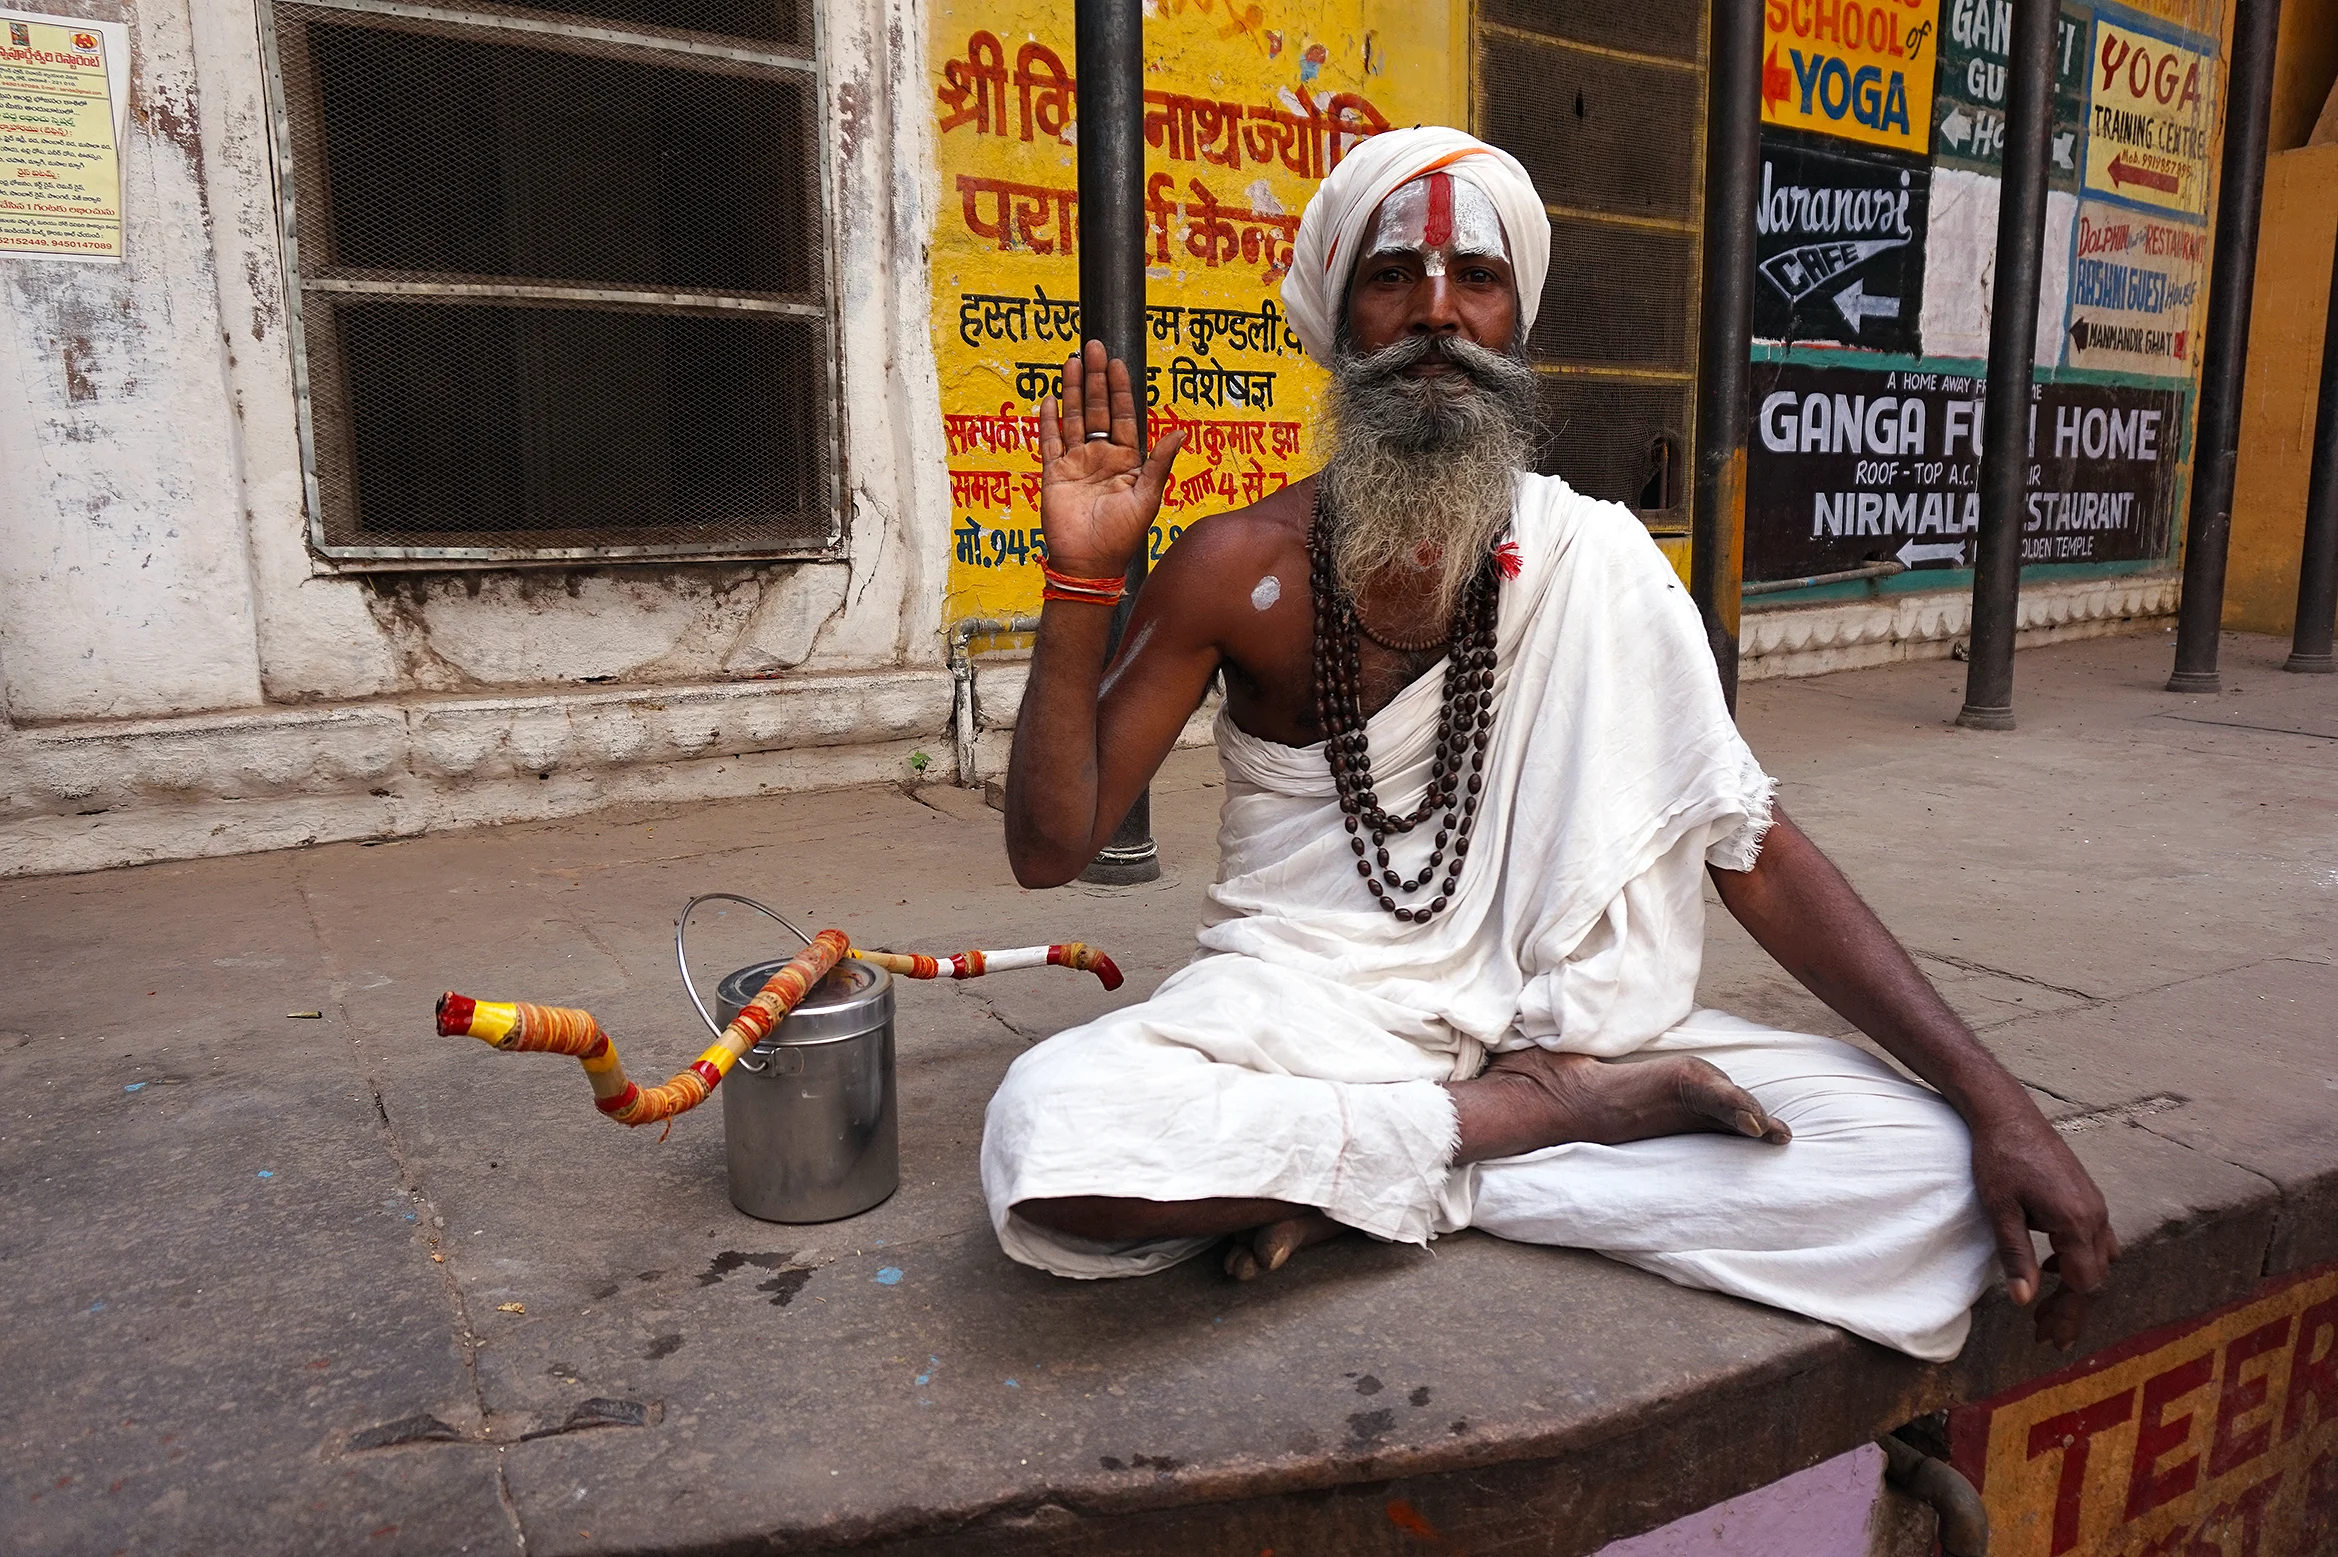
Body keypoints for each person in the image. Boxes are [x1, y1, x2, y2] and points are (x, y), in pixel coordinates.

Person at [980, 126, 2114, 1362]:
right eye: (1390, 280)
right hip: (1304, 1009)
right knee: (1051, 1135)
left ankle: (1367, 1177)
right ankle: (1529, 1125)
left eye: (1475, 277)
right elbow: (1050, 850)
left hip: (1556, 1017)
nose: (1435, 315)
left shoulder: (1600, 559)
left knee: (1920, 1165)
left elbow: (1755, 852)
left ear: (1515, 320)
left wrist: (2000, 1102)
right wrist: (1080, 582)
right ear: (1337, 318)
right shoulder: (1232, 567)